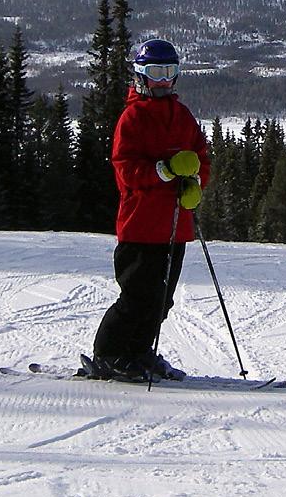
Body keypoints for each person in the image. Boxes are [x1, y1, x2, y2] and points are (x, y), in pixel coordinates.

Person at [89, 38, 210, 382]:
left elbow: (201, 157)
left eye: (169, 72)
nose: (162, 80)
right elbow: (124, 168)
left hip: (175, 225)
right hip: (141, 225)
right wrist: (163, 171)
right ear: (141, 75)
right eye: (155, 72)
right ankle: (110, 354)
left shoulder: (181, 115)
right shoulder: (133, 117)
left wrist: (196, 182)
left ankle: (139, 350)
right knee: (137, 296)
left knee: (162, 300)